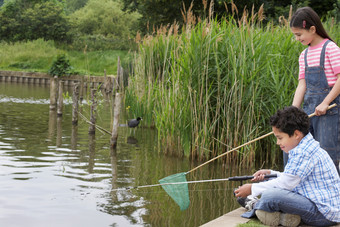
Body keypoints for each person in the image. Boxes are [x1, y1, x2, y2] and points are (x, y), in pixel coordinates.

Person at [234, 106, 340, 227]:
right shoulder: (305, 147)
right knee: (273, 192)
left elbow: (286, 183)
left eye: (280, 138)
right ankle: (285, 217)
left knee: (271, 195)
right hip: (319, 208)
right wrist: (270, 174)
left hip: (322, 214)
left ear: (296, 134)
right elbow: (293, 178)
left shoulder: (304, 152)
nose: (278, 143)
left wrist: (252, 188)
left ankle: (253, 204)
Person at [285, 6, 340, 174]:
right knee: (297, 149)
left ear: (313, 29)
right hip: (310, 111)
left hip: (329, 111)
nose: (297, 39)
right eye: (295, 35)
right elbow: (302, 85)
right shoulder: (304, 55)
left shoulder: (330, 48)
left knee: (327, 154)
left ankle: (333, 195)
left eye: (299, 34)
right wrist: (294, 110)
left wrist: (325, 103)